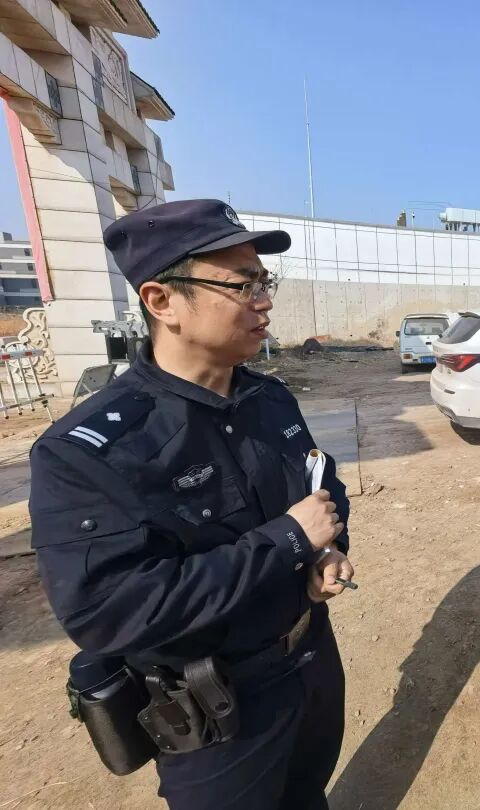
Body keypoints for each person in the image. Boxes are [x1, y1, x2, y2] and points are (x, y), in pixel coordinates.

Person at [29, 199, 354, 810]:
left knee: (308, 795)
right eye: (242, 285)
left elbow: (320, 486)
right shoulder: (91, 451)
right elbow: (111, 611)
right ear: (162, 301)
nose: (264, 301)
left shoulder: (269, 399)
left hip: (310, 660)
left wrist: (327, 549)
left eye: (265, 282)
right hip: (218, 715)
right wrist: (287, 540)